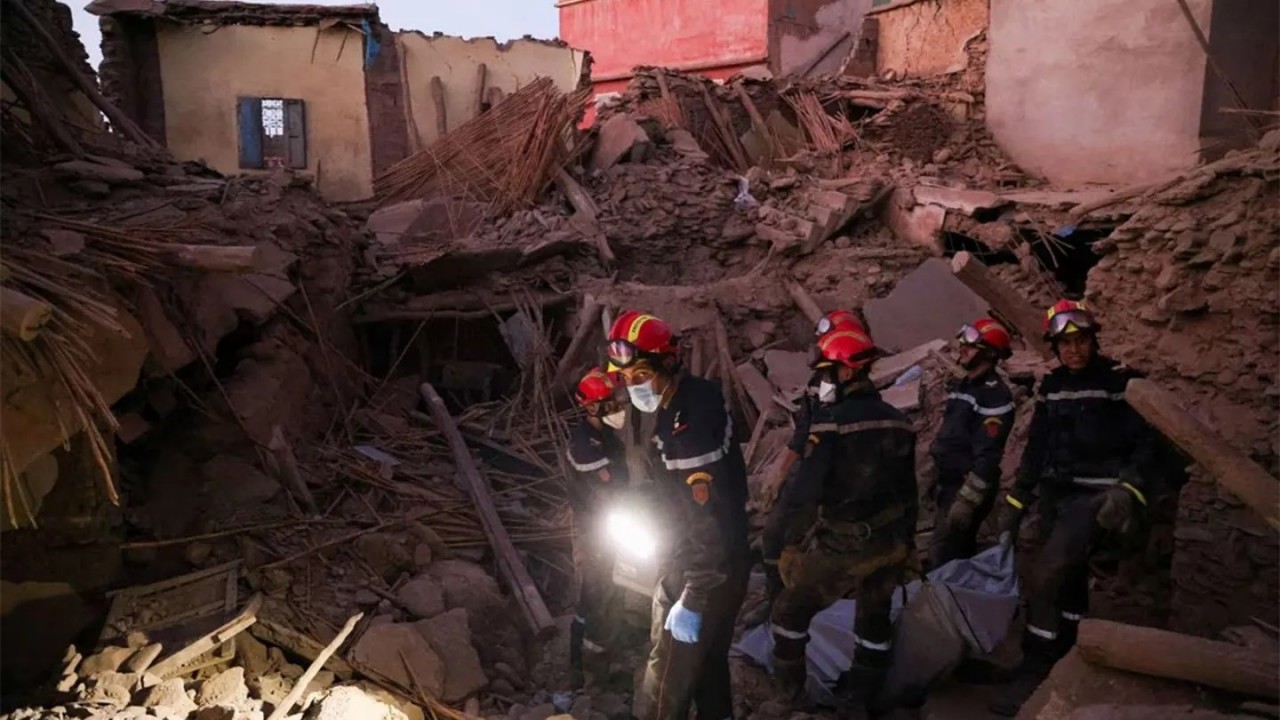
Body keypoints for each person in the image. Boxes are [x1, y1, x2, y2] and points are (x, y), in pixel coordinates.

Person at [989, 299, 1155, 716]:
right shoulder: (1054, 386)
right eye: (1064, 344)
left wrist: (1129, 489)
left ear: (1093, 340)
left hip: (1099, 496)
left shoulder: (1119, 382)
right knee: (1066, 578)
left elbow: (1151, 446)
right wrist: (1016, 500)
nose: (1073, 350)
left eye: (1080, 341)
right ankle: (1070, 653)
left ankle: (1037, 667)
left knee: (1047, 572)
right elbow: (1038, 446)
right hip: (1058, 494)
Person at [606, 311, 750, 720]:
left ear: (666, 363)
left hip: (701, 571)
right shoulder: (693, 398)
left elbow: (705, 519)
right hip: (728, 560)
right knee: (708, 667)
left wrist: (693, 593)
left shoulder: (686, 428)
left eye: (639, 375)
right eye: (626, 378)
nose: (633, 386)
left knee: (665, 680)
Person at [767, 328, 918, 715]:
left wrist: (788, 544)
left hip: (845, 545)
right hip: (891, 541)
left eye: (826, 373)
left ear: (847, 373)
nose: (821, 382)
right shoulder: (899, 422)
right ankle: (861, 702)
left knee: (789, 612)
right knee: (874, 619)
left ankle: (790, 697)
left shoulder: (830, 424)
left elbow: (806, 492)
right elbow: (910, 493)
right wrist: (909, 544)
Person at [749, 310, 867, 627]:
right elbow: (803, 429)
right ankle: (776, 603)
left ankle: (808, 611)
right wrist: (780, 469)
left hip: (836, 481)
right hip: (809, 471)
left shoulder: (860, 397)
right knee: (775, 536)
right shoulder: (819, 382)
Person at [927, 318, 1016, 568]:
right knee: (951, 552)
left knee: (943, 558)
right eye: (963, 344)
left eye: (971, 346)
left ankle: (950, 603)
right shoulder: (964, 385)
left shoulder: (995, 395)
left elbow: (988, 456)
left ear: (989, 353)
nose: (963, 349)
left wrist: (967, 501)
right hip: (949, 484)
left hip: (966, 489)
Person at [565, 367, 629, 687]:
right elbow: (607, 490)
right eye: (607, 404)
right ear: (589, 407)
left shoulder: (607, 437)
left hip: (609, 523)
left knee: (611, 590)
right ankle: (587, 669)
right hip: (594, 529)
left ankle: (607, 652)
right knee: (595, 592)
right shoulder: (584, 446)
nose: (615, 409)